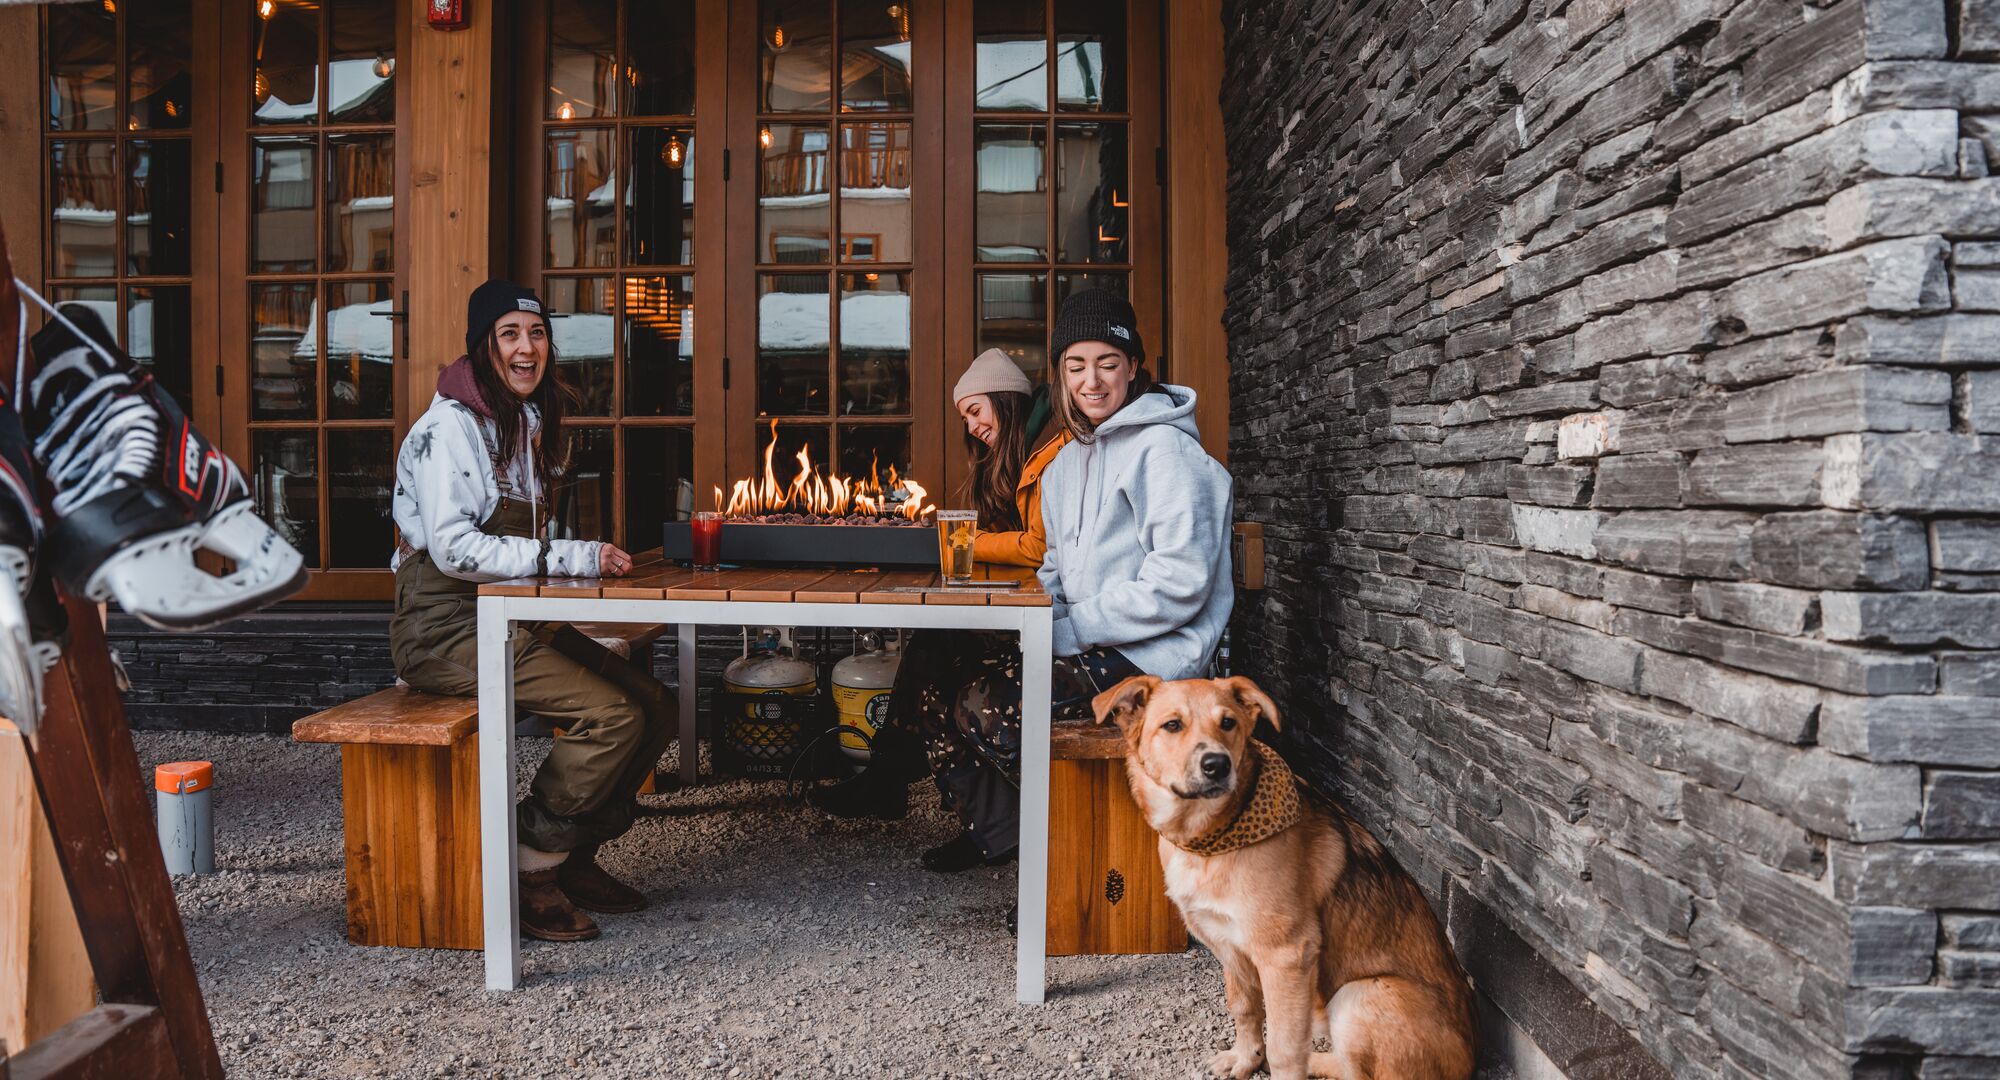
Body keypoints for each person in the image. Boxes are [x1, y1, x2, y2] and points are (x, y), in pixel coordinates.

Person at [389, 279, 673, 943]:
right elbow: (455, 550)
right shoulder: (448, 429)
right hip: (444, 627)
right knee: (609, 715)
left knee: (654, 706)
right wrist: (572, 558)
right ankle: (528, 865)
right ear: (484, 346)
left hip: (506, 613)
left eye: (537, 334)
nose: (526, 348)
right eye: (510, 334)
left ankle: (573, 856)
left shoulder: (521, 422)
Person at [808, 349, 1071, 824]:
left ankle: (894, 780)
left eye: (975, 411)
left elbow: (1037, 549)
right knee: (930, 649)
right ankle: (900, 781)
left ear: (1004, 400)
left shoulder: (1046, 458)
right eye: (965, 417)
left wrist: (967, 539)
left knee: (934, 663)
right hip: (1012, 604)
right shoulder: (1010, 460)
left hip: (1040, 615)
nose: (970, 427)